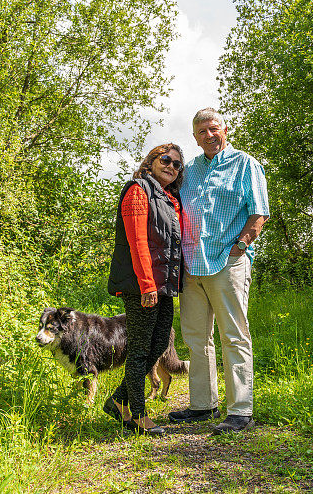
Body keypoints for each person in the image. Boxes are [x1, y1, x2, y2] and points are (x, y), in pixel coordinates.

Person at [168, 108, 269, 434]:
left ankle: (241, 411)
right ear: (195, 138)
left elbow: (259, 213)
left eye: (214, 129)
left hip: (227, 263)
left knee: (234, 336)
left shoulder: (245, 164)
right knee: (197, 339)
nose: (209, 135)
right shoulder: (189, 171)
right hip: (191, 265)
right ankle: (203, 405)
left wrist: (239, 248)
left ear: (225, 129)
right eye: (202, 132)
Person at [106, 143, 185, 436]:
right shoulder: (138, 191)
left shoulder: (168, 198)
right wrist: (147, 285)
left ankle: (117, 400)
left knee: (160, 342)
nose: (171, 167)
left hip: (163, 285)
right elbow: (137, 241)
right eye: (166, 160)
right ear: (151, 161)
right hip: (143, 285)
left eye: (177, 165)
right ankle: (137, 415)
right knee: (140, 350)